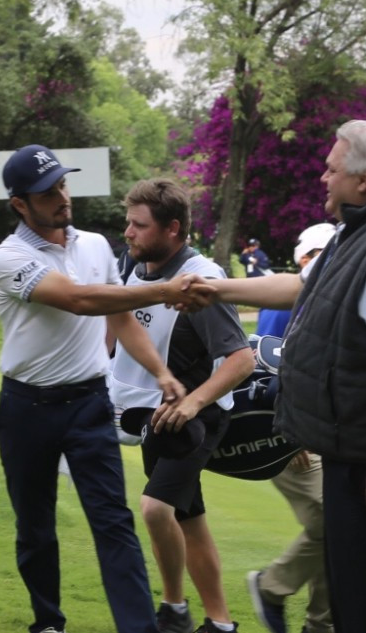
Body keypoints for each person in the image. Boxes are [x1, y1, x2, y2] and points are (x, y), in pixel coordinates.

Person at [182, 120, 366, 633]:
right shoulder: (358, 233)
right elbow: (298, 287)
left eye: (332, 169)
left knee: (365, 587)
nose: (322, 178)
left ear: (364, 180)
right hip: (351, 443)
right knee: (351, 582)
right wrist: (216, 291)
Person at [0, 144, 213, 633]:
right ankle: (48, 621)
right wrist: (162, 290)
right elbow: (79, 299)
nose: (61, 197)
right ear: (20, 204)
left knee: (114, 523)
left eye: (63, 185)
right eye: (48, 193)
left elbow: (120, 316)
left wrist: (161, 372)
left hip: (89, 403)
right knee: (35, 528)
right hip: (26, 408)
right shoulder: (10, 257)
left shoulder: (92, 244)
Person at [109, 179, 256, 633]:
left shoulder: (201, 280)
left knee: (156, 509)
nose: (128, 234)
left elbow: (241, 358)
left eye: (139, 225)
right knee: (190, 520)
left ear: (173, 229)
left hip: (196, 416)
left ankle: (173, 610)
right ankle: (221, 623)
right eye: (128, 224)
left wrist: (192, 403)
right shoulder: (132, 267)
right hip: (157, 415)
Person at [245, 221, 338, 633]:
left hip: (321, 430)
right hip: (289, 435)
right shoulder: (288, 302)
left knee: (336, 530)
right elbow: (266, 367)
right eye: (321, 256)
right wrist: (287, 435)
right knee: (331, 521)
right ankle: (270, 588)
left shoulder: (325, 295)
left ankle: (320, 625)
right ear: (305, 259)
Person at [255, 224, 336, 338]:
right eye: (328, 252)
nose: (338, 257)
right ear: (305, 260)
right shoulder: (280, 308)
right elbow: (265, 352)